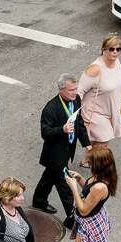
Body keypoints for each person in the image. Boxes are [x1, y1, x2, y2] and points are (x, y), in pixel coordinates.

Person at [33, 73, 88, 221]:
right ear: (61, 89)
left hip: (67, 150)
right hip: (55, 153)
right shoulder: (51, 108)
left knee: (48, 177)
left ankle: (39, 201)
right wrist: (61, 130)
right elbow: (45, 133)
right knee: (65, 185)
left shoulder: (76, 99)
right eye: (71, 90)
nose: (75, 92)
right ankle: (72, 219)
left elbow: (80, 123)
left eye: (76, 89)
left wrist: (87, 144)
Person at [77, 34, 121, 159]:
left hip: (110, 109)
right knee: (103, 144)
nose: (115, 52)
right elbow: (79, 91)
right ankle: (97, 171)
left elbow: (117, 81)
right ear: (103, 49)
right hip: (94, 113)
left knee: (98, 143)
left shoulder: (117, 64)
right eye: (111, 49)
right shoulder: (95, 69)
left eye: (118, 49)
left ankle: (87, 160)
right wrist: (77, 116)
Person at [0, 178, 35, 242]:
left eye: (22, 194)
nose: (23, 198)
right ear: (7, 197)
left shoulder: (16, 207)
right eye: (18, 196)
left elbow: (25, 233)